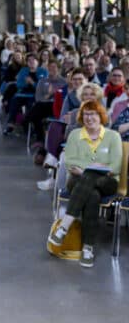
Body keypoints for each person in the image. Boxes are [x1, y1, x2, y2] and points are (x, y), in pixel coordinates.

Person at [48, 100, 122, 267]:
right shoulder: (75, 135)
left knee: (88, 177)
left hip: (107, 182)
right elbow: (70, 162)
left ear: (101, 115)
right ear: (82, 117)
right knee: (92, 194)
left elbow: (116, 167)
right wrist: (95, 168)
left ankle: (64, 227)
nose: (90, 118)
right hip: (77, 179)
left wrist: (86, 169)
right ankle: (87, 248)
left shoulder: (113, 136)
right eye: (86, 114)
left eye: (93, 114)